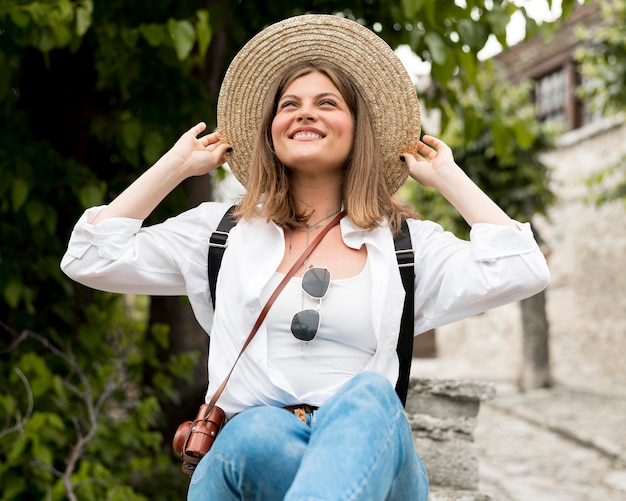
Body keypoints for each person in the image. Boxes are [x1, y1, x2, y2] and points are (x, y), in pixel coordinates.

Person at [61, 14, 550, 501]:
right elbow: (88, 255)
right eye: (288, 104)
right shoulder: (221, 233)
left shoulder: (406, 245)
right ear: (271, 131)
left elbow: (520, 268)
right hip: (248, 461)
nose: (304, 113)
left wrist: (448, 178)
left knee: (370, 395)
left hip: (376, 465)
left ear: (359, 130)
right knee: (256, 431)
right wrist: (176, 166)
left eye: (327, 103)